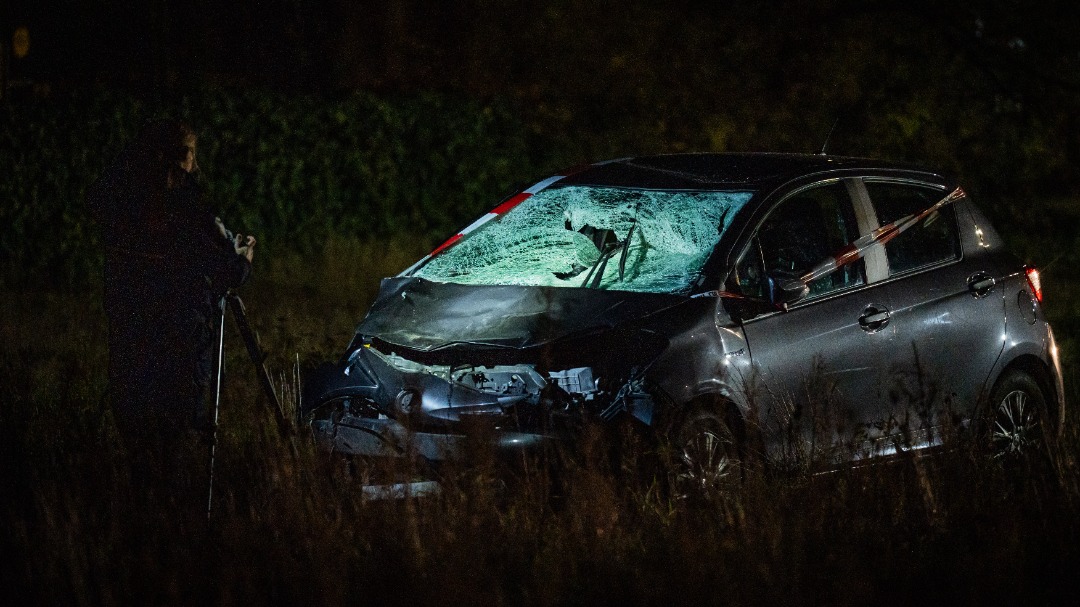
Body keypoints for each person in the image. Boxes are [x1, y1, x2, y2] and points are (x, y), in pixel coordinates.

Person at [87, 119, 255, 503]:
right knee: (169, 452)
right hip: (179, 348)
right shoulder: (189, 211)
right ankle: (171, 527)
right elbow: (226, 270)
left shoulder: (122, 207)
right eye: (191, 153)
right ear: (184, 158)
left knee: (139, 450)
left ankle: (141, 520)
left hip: (130, 344)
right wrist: (245, 258)